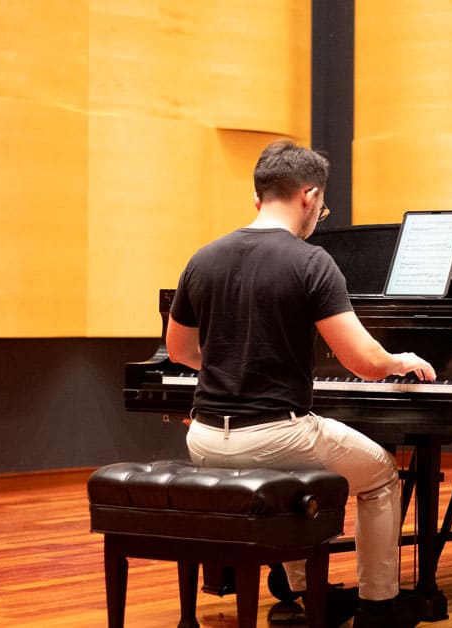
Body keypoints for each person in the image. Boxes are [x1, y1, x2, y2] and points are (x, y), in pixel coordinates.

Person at [165, 139, 435, 627]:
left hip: (203, 439)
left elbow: (181, 351)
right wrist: (399, 360)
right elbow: (365, 363)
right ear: (308, 196)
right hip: (275, 436)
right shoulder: (311, 262)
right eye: (321, 206)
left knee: (296, 468)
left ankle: (304, 588)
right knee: (380, 476)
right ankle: (379, 606)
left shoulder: (202, 259)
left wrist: (232, 359)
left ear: (258, 197)